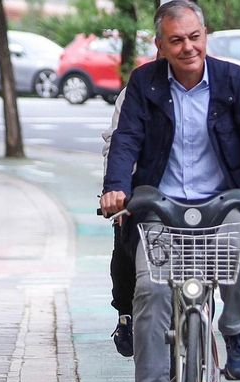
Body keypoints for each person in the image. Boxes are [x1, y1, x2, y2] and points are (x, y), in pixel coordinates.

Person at [99, 0, 240, 382]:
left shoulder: (235, 81)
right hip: (161, 208)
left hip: (223, 204)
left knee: (239, 255)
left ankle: (236, 329)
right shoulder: (144, 83)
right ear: (160, 45)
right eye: (176, 40)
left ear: (206, 36)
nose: (188, 48)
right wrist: (115, 188)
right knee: (150, 292)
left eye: (194, 37)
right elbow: (125, 141)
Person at [101, 86, 136, 358]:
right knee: (125, 244)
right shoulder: (136, 90)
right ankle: (126, 315)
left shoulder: (222, 82)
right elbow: (118, 143)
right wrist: (115, 190)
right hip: (142, 190)